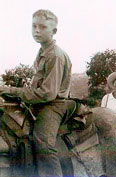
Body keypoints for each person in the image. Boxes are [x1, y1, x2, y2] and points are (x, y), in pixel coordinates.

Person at [0, 9, 72, 176]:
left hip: (53, 105)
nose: (37, 31)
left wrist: (12, 91)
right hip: (40, 101)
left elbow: (48, 93)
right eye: (34, 26)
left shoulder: (55, 55)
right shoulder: (42, 52)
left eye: (42, 27)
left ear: (53, 31)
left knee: (42, 142)